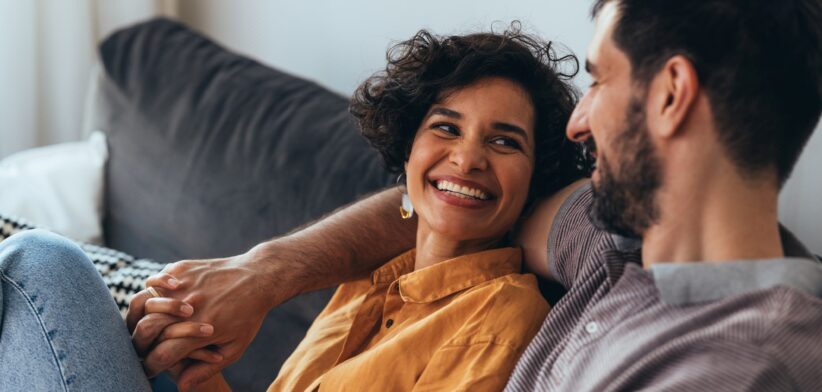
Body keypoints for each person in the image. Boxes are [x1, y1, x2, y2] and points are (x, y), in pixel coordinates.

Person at [131, 0, 822, 391]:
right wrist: (263, 274)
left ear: (670, 95)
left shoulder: (735, 366)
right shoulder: (607, 241)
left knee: (44, 270)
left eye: (602, 80)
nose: (580, 124)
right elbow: (456, 203)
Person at [0, 26, 586, 391]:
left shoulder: (503, 319)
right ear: (408, 149)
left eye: (504, 141)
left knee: (38, 264)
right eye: (445, 128)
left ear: (537, 177)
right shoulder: (368, 281)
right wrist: (199, 375)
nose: (467, 158)